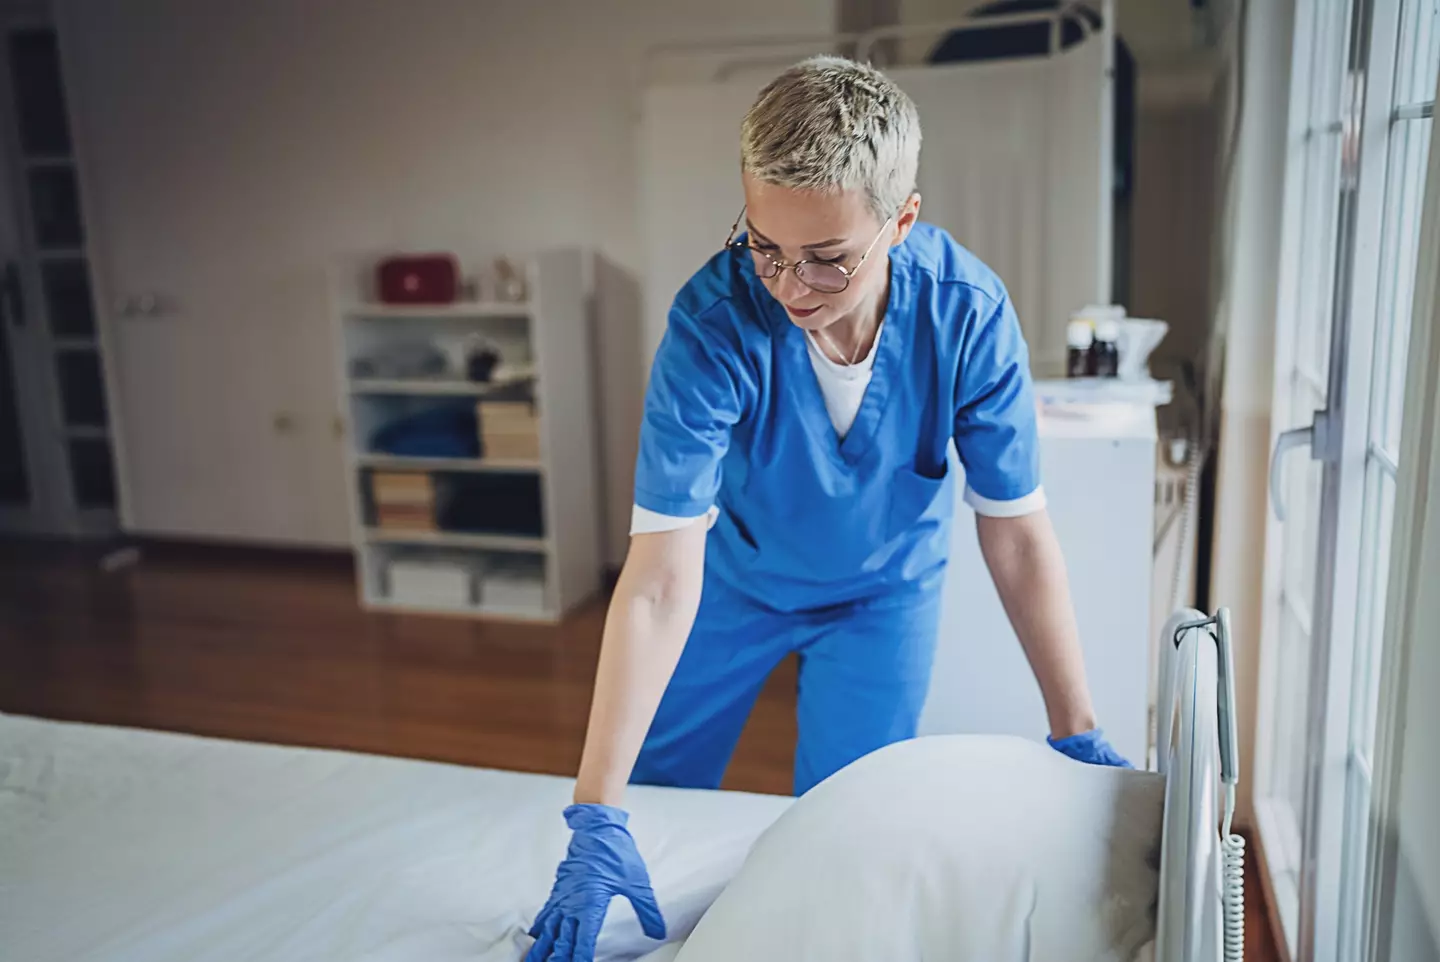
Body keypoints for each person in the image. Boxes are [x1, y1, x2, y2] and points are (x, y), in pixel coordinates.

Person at [523, 55, 1132, 962]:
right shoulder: (714, 321)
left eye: (827, 259)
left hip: (882, 597)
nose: (789, 287)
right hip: (734, 580)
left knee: (843, 824)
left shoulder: (966, 315)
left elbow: (1017, 537)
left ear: (902, 222)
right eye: (764, 246)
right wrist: (595, 809)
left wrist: (1075, 728)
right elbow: (656, 580)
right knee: (656, 793)